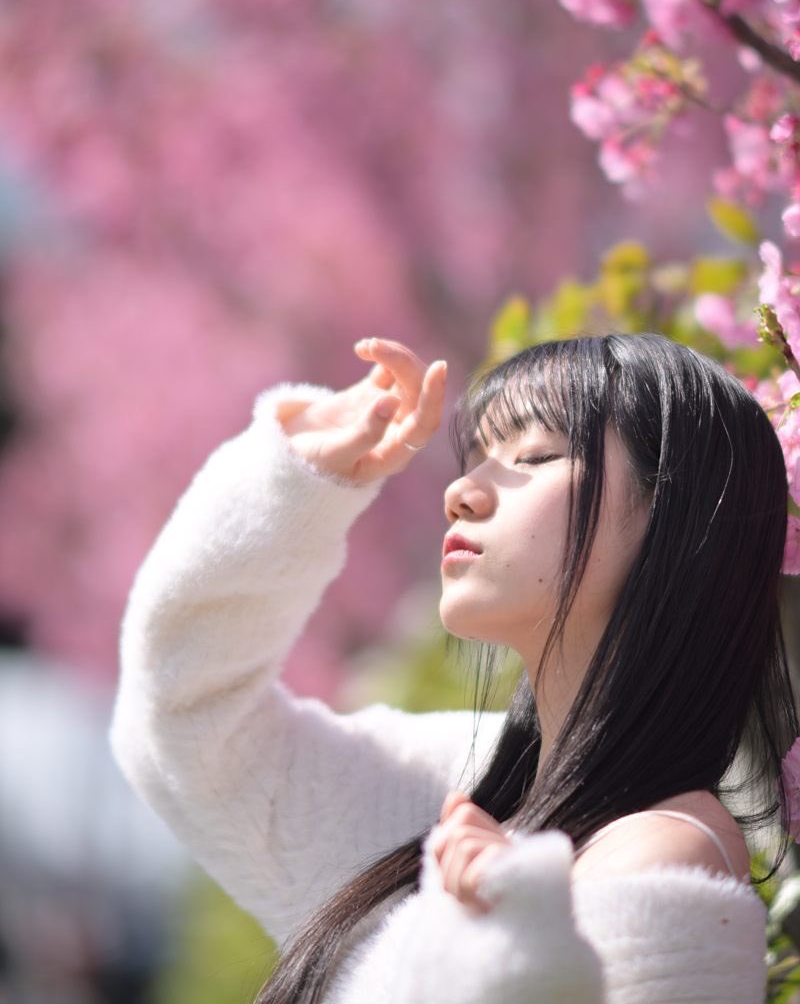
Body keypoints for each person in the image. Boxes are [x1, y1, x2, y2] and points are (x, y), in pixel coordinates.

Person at [110, 333, 799, 1004]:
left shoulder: (661, 853)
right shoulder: (451, 791)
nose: (462, 491)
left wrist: (507, 945)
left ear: (674, 521)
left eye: (533, 455)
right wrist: (296, 481)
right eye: (477, 456)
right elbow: (187, 730)